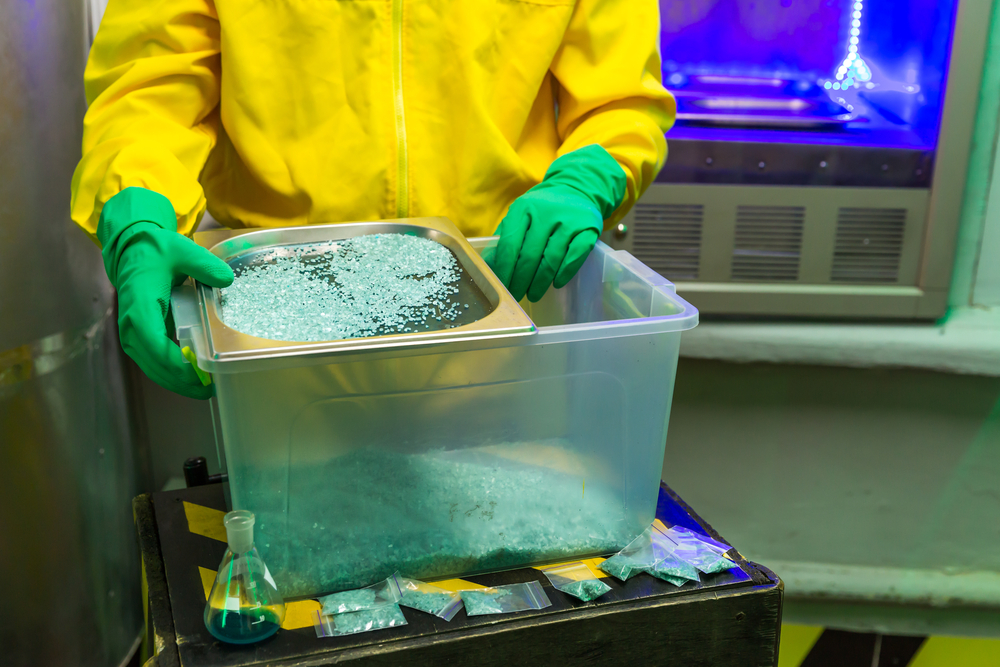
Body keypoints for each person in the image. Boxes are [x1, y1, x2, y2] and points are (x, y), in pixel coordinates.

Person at [71, 0, 675, 400]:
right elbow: (150, 89)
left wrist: (584, 178)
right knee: (292, 561)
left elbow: (619, 100)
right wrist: (140, 205)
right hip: (281, 338)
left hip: (501, 315)